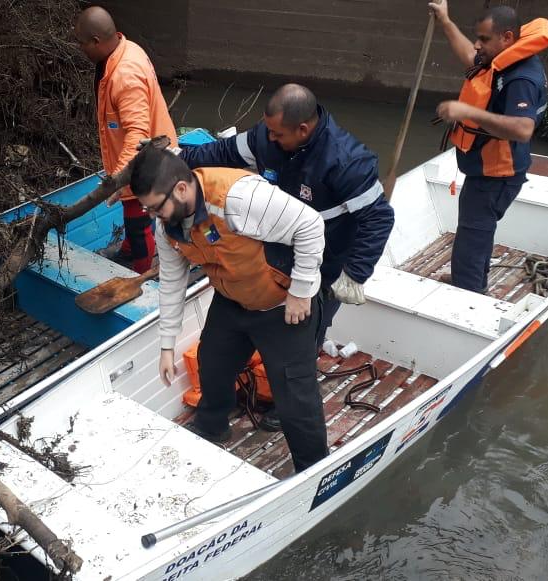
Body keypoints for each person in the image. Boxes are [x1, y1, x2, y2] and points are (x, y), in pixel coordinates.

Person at [178, 83, 394, 430]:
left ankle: (287, 402)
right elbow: (221, 153)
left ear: (303, 129)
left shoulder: (346, 160)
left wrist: (355, 273)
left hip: (325, 260)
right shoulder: (268, 138)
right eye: (269, 130)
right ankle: (224, 405)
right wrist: (175, 161)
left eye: (278, 134)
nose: (270, 138)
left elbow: (378, 217)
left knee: (305, 337)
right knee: (229, 343)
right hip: (275, 253)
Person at [130, 146, 330, 472]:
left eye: (155, 208)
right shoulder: (169, 225)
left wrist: (301, 291)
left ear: (181, 188)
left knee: (294, 392)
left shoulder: (237, 198)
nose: (154, 216)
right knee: (212, 362)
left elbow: (311, 225)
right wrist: (167, 345)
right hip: (233, 298)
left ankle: (313, 468)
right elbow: (171, 283)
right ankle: (212, 426)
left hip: (281, 302)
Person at [429, 2, 548, 293]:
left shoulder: (521, 77)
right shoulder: (503, 59)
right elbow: (471, 57)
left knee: (473, 236)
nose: (477, 44)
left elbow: (523, 129)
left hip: (499, 174)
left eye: (484, 39)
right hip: (485, 168)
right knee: (476, 231)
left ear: (507, 37)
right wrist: (445, 21)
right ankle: (467, 279)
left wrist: (467, 112)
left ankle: (468, 295)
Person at [74, 6, 178, 273]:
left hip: (146, 163)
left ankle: (140, 273)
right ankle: (129, 250)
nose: (80, 48)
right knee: (129, 207)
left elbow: (137, 133)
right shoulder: (124, 49)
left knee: (137, 220)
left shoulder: (125, 75)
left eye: (82, 43)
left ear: (97, 41)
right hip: (134, 157)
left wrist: (119, 179)